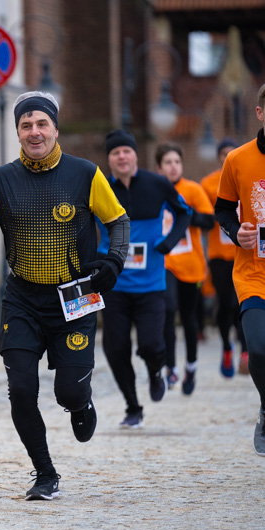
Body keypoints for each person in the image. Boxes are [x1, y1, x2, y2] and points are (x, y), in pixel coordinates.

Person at [0, 91, 130, 501]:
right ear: (17, 132)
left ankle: (80, 403)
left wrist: (114, 263)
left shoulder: (85, 173)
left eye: (41, 124)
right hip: (23, 300)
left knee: (68, 391)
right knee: (21, 389)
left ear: (55, 128)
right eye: (26, 126)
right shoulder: (1, 180)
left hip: (76, 297)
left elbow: (118, 220)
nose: (34, 132)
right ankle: (45, 472)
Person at [97, 130, 191, 429]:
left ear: (136, 155)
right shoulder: (98, 188)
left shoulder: (157, 183)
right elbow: (83, 224)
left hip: (151, 285)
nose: (121, 157)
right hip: (114, 285)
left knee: (151, 344)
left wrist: (169, 242)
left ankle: (155, 372)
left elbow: (184, 212)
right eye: (115, 153)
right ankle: (132, 406)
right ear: (109, 158)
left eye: (126, 151)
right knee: (115, 348)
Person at [215, 82, 265, 456]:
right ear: (260, 113)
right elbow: (222, 209)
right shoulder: (238, 160)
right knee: (259, 349)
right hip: (253, 274)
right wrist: (237, 232)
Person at [155, 142, 214, 395]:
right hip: (165, 263)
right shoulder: (154, 189)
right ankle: (170, 367)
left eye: (176, 162)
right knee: (168, 310)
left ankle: (191, 366)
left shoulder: (192, 189)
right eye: (168, 162)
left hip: (191, 264)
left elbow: (209, 221)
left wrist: (185, 213)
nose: (173, 166)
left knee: (189, 318)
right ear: (159, 167)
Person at [201, 137, 248, 377]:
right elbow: (207, 215)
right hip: (219, 254)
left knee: (242, 303)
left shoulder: (246, 177)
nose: (228, 157)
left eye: (232, 152)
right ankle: (227, 346)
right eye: (224, 154)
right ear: (220, 158)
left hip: (244, 251)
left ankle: (244, 350)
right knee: (225, 303)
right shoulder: (209, 184)